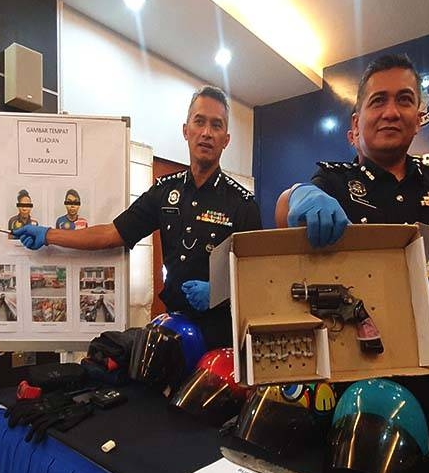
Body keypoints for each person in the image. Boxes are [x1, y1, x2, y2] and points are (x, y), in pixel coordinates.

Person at [274, 54, 429, 458]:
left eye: (404, 100)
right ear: (357, 123)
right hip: (350, 382)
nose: (391, 111)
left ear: (418, 115)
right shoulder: (335, 181)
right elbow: (284, 211)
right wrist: (299, 195)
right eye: (378, 101)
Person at [14, 85, 262, 349]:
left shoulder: (242, 204)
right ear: (185, 130)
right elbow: (113, 233)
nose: (206, 133)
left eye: (216, 125)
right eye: (199, 122)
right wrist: (50, 235)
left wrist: (220, 293)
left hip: (221, 340)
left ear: (226, 139)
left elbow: (259, 278)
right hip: (172, 332)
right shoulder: (165, 192)